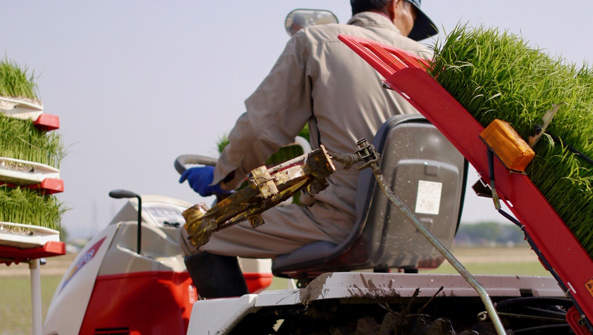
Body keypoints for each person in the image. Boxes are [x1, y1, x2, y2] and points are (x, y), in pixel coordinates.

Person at [180, 0, 438, 298]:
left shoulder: (318, 42)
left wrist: (223, 176)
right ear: (396, 5)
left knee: (194, 233)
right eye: (414, 19)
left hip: (344, 224)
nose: (412, 30)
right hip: (420, 229)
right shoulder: (431, 62)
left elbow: (260, 129)